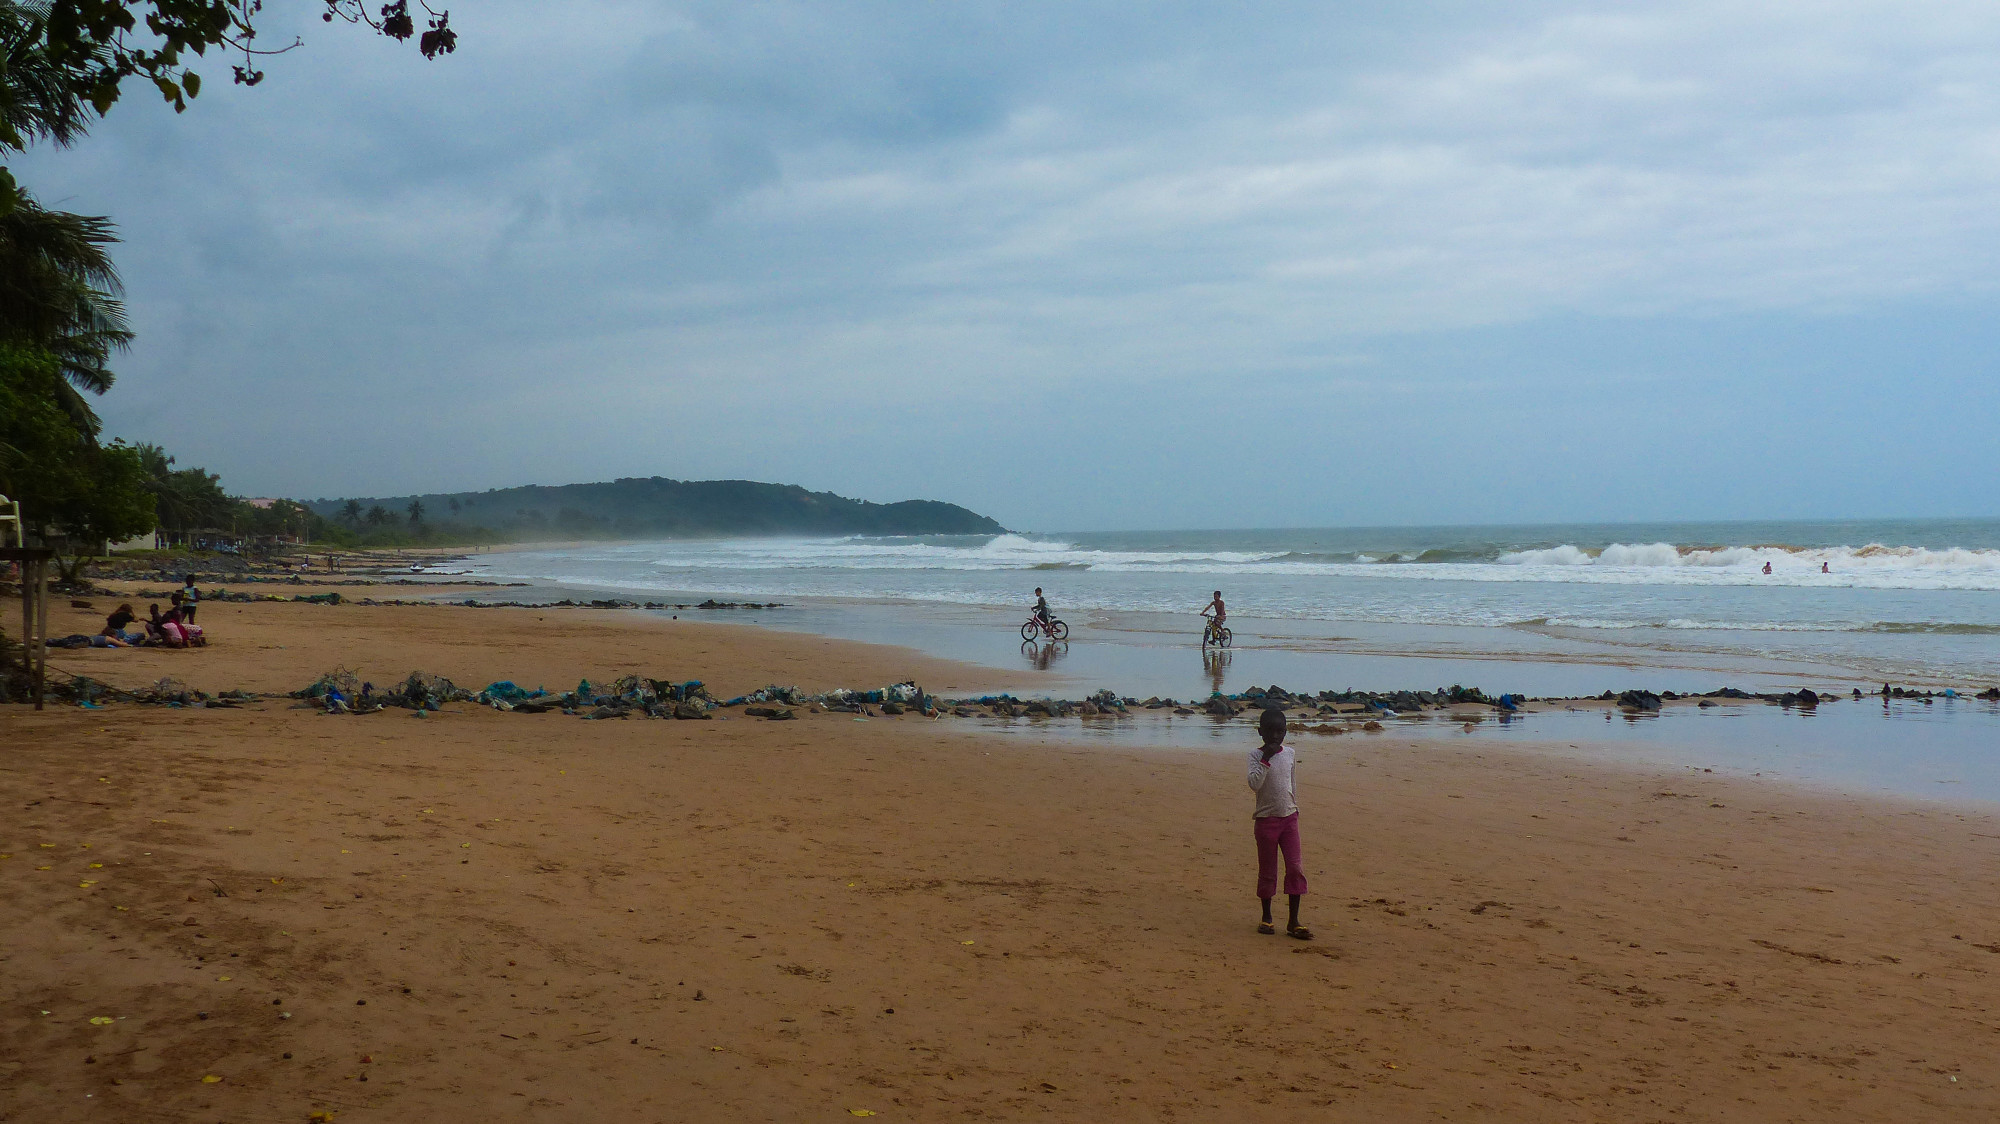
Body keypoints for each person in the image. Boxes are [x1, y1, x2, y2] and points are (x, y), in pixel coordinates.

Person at [1247, 706, 1312, 940]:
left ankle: (1294, 921)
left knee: (1295, 867)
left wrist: (1295, 807)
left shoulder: (1290, 754)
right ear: (1260, 732)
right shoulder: (1255, 756)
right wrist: (1266, 759)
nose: (1276, 737)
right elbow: (1254, 784)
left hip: (1289, 818)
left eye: (1280, 732)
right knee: (1268, 871)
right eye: (1271, 732)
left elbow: (1291, 784)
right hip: (1266, 821)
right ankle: (1267, 917)